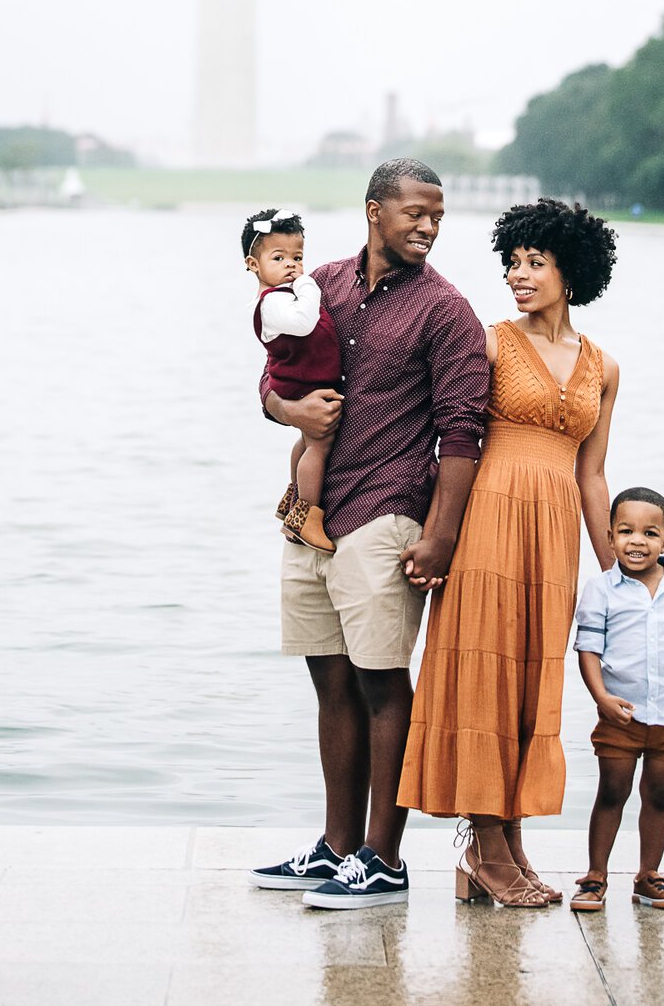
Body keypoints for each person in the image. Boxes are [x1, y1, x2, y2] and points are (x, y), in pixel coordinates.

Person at [249, 159, 487, 910]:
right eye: (415, 212)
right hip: (312, 514)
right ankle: (338, 847)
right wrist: (291, 415)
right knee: (328, 679)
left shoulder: (447, 311)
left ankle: (384, 859)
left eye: (437, 217)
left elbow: (463, 432)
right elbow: (272, 378)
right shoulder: (317, 282)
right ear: (373, 210)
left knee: (383, 683)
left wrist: (441, 536)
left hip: (387, 513)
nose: (427, 226)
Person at [399, 198, 622, 908]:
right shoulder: (490, 342)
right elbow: (447, 433)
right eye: (512, 263)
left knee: (531, 683)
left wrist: (619, 570)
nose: (519, 276)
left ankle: (509, 845)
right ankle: (486, 845)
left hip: (553, 534)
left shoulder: (604, 366)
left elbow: (592, 474)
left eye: (535, 262)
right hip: (488, 525)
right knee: (484, 677)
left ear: (571, 269)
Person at [570, 487, 664, 913]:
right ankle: (596, 876)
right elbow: (588, 649)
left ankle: (648, 876)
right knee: (611, 792)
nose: (637, 541)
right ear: (610, 536)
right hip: (621, 715)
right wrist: (601, 698)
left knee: (658, 794)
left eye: (650, 533)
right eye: (626, 531)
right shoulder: (601, 590)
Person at [245, 206, 344, 554]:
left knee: (307, 442)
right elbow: (303, 323)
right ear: (253, 265)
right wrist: (307, 283)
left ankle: (293, 500)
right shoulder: (272, 302)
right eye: (279, 257)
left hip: (305, 378)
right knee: (319, 445)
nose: (291, 264)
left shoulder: (282, 296)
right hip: (302, 384)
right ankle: (308, 516)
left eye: (297, 257)